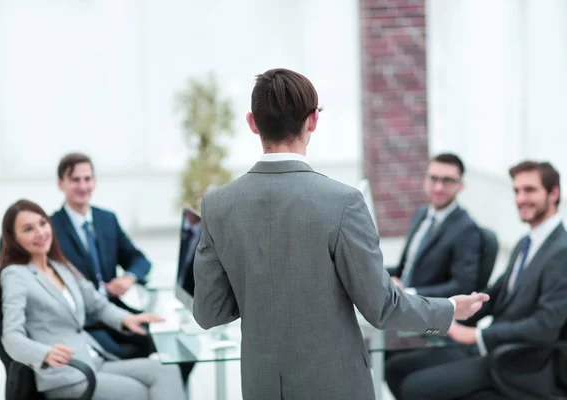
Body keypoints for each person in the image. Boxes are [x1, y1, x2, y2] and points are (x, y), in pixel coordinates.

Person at [191, 68, 489, 400]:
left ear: (252, 122)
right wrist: (449, 308)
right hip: (335, 386)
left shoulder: (217, 205)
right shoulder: (343, 202)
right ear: (313, 121)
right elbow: (382, 308)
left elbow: (208, 313)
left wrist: (257, 289)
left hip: (260, 386)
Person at [385, 161, 567, 399]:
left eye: (529, 190)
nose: (520, 198)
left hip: (522, 364)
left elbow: (545, 326)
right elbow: (495, 294)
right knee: (395, 368)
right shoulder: (528, 242)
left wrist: (477, 335)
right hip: (496, 348)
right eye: (516, 191)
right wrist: (453, 311)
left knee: (415, 387)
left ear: (554, 193)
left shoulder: (560, 251)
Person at [0, 199, 185, 400]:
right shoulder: (15, 275)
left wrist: (126, 319)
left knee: (167, 369)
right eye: (28, 229)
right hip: (67, 375)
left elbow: (96, 304)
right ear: (14, 238)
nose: (40, 233)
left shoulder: (60, 267)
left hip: (93, 360)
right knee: (145, 393)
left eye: (43, 223)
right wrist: (44, 354)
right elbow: (11, 337)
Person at [50, 152, 155, 361]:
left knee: (168, 343)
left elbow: (139, 259)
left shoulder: (106, 219)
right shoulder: (50, 229)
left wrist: (128, 278)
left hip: (113, 306)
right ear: (61, 184)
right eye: (75, 180)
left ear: (94, 181)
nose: (83, 186)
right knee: (121, 355)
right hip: (83, 318)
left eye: (87, 179)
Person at [389, 153, 481, 297]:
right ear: (425, 181)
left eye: (448, 180)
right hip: (399, 299)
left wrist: (409, 293)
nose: (438, 187)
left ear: (461, 186)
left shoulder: (466, 229)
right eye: (433, 179)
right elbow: (405, 270)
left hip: (426, 308)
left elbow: (462, 286)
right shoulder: (421, 214)